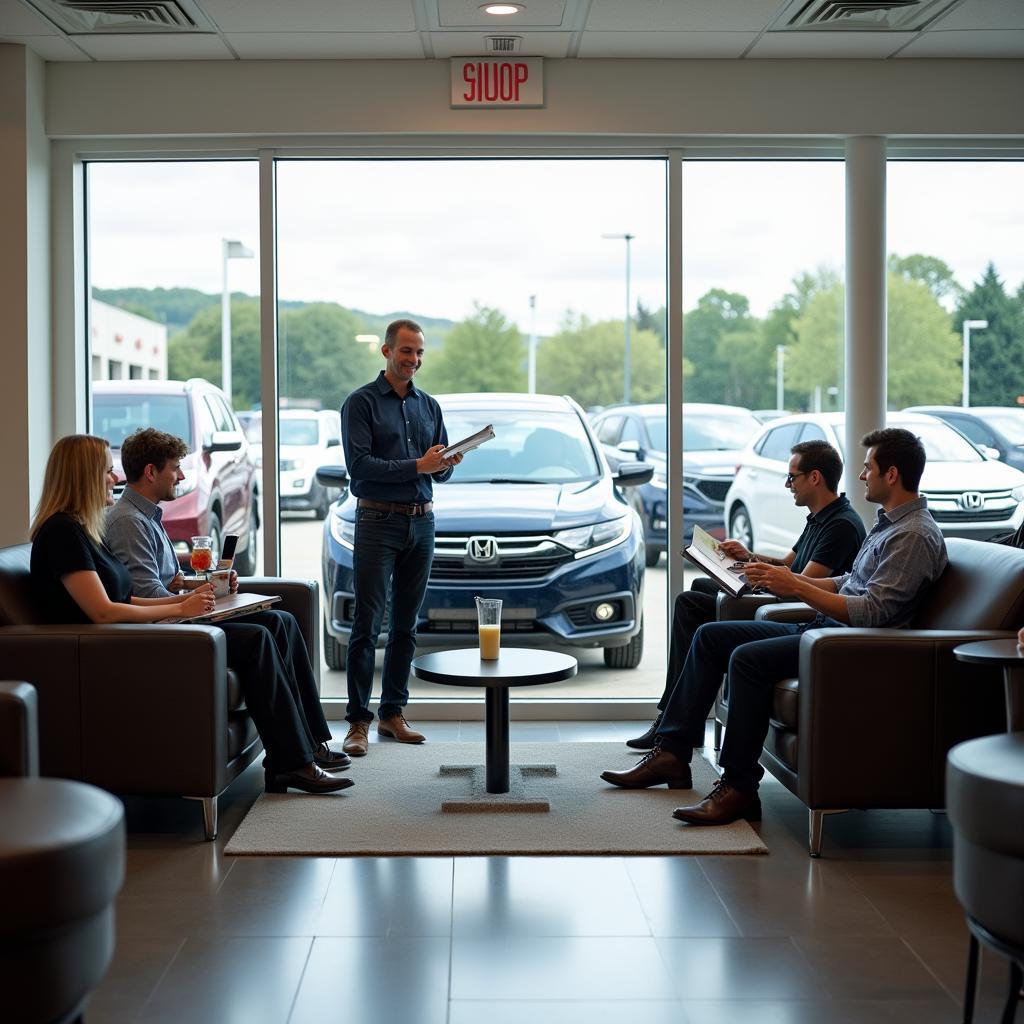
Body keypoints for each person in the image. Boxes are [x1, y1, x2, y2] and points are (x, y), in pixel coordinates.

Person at [601, 427, 948, 827]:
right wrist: (790, 579)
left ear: (891, 474)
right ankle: (672, 753)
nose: (861, 475)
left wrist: (795, 583)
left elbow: (872, 610)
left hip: (846, 647)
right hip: (823, 630)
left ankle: (739, 788)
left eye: (868, 467)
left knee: (747, 659)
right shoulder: (889, 524)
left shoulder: (913, 536)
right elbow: (847, 582)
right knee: (710, 635)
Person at [32, 432, 352, 797]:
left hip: (127, 637)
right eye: (107, 471)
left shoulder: (83, 530)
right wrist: (180, 606)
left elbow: (128, 596)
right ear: (84, 475)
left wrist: (186, 599)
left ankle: (300, 752)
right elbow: (103, 612)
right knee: (260, 636)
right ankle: (292, 763)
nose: (115, 478)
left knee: (278, 620)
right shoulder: (62, 533)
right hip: (115, 649)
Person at [626, 439, 866, 749]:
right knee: (698, 590)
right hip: (787, 593)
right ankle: (677, 718)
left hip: (793, 604)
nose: (787, 484)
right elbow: (786, 565)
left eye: (792, 477)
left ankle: (671, 720)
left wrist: (757, 575)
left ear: (815, 477)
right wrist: (748, 556)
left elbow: (801, 586)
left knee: (690, 604)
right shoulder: (820, 518)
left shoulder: (841, 526)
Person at [340, 318, 463, 756]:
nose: (414, 360)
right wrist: (419, 465)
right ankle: (357, 722)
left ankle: (393, 714)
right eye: (407, 351)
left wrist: (446, 462)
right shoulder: (361, 403)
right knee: (367, 624)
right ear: (386, 351)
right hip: (376, 523)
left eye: (420, 353)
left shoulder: (429, 405)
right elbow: (362, 468)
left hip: (422, 522)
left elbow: (439, 469)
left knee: (406, 625)